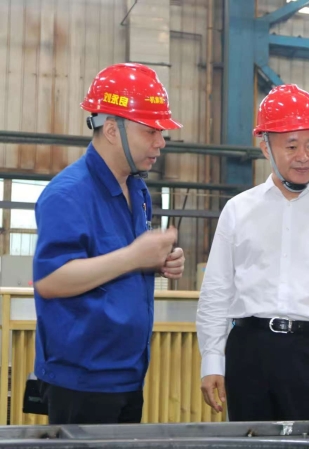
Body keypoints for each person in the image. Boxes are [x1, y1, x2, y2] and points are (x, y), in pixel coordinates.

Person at [196, 84, 309, 421]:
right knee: (252, 443)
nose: (304, 156)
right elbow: (217, 291)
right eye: (291, 146)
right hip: (249, 354)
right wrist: (212, 359)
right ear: (265, 147)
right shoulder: (238, 210)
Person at [33, 63, 185, 425]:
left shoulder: (137, 190)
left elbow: (117, 262)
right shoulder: (68, 194)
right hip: (82, 381)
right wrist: (133, 256)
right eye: (151, 131)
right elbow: (50, 280)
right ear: (113, 130)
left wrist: (157, 260)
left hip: (127, 374)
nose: (161, 142)